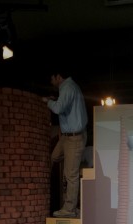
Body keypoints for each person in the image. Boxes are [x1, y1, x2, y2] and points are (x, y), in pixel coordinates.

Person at [42, 72, 88, 218]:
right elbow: (64, 104)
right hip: (67, 137)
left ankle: (70, 209)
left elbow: (58, 109)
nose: (51, 81)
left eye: (51, 77)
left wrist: (46, 101)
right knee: (53, 157)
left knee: (71, 174)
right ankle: (45, 190)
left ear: (58, 76)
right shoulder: (68, 88)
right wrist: (54, 99)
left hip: (74, 137)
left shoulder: (67, 87)